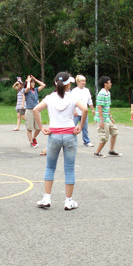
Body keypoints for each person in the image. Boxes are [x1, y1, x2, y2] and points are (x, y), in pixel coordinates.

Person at [33, 72, 87, 210]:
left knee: (50, 166)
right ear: (68, 84)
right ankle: (68, 201)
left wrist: (41, 127)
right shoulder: (72, 97)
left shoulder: (50, 98)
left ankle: (46, 197)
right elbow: (85, 109)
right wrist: (80, 125)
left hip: (54, 135)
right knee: (69, 168)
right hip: (69, 134)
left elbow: (36, 110)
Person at [94, 76, 121, 157]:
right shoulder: (101, 94)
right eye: (109, 82)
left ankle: (111, 150)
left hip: (107, 118)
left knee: (114, 132)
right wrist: (101, 121)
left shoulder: (108, 93)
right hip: (101, 119)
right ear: (105, 84)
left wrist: (110, 116)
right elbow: (99, 108)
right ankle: (97, 153)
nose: (111, 84)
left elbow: (108, 106)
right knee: (104, 137)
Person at [71, 75, 94, 147]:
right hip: (76, 112)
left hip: (84, 113)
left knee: (85, 127)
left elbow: (89, 100)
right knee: (72, 127)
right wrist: (74, 110)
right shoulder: (74, 91)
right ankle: (71, 141)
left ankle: (86, 141)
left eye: (84, 81)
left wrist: (92, 109)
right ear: (78, 82)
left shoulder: (86, 90)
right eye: (82, 81)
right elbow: (72, 101)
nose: (84, 82)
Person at [24, 75, 46, 147]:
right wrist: (28, 81)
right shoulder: (26, 91)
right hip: (29, 110)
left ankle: (34, 138)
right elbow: (27, 87)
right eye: (32, 83)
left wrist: (35, 80)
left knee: (38, 128)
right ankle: (31, 142)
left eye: (34, 83)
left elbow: (43, 85)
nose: (33, 84)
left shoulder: (35, 90)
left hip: (36, 110)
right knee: (29, 128)